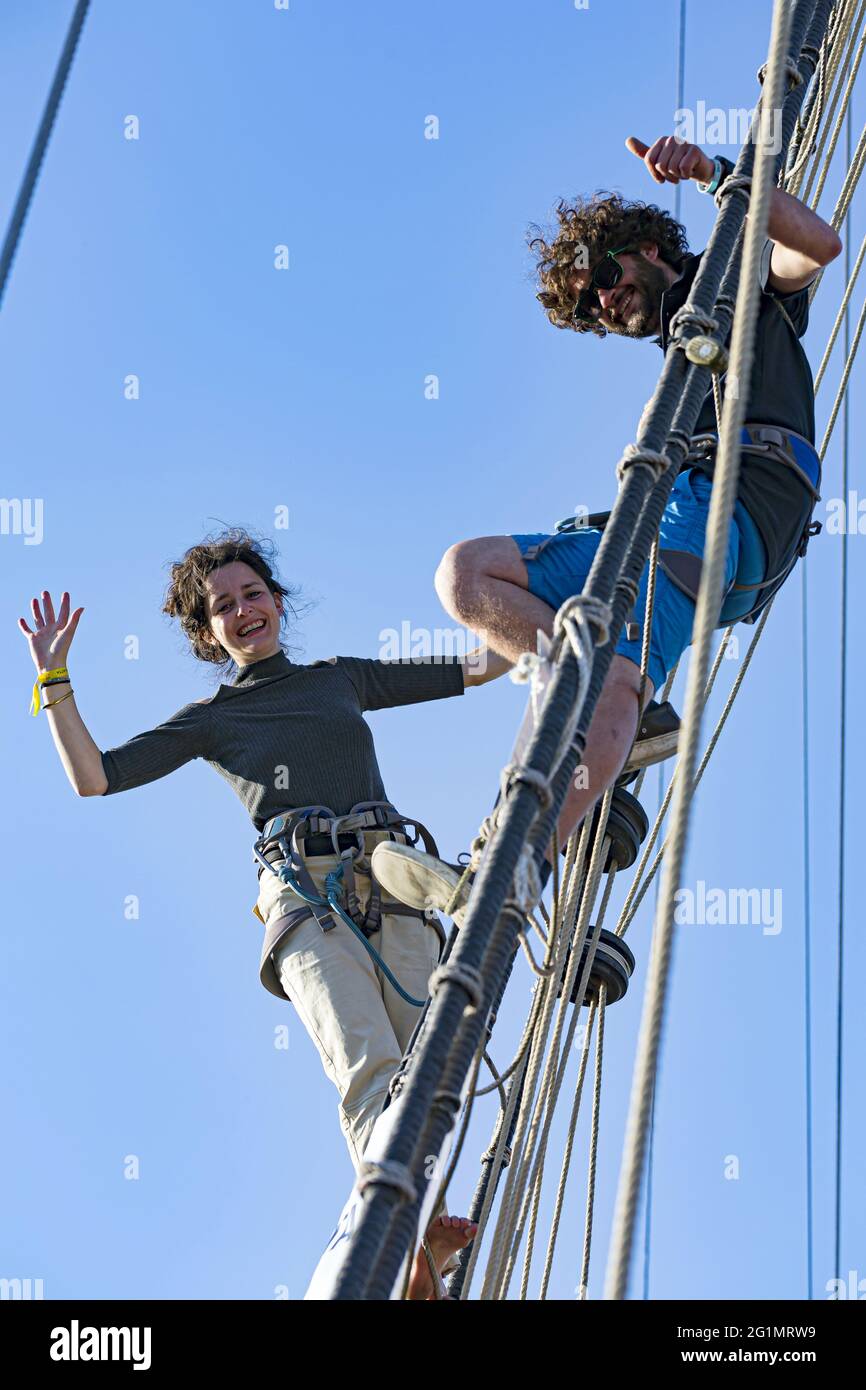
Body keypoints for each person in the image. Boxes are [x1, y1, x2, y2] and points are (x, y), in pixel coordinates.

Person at [19, 528, 514, 1299]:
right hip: (304, 900)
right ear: (208, 634)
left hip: (394, 881)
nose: (243, 610)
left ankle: (425, 1229)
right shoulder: (212, 719)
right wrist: (55, 679)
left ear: (277, 602)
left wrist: (545, 612)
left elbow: (481, 666)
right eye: (223, 607)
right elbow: (95, 778)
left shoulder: (338, 679)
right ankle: (407, 1240)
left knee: (428, 1066)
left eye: (253, 594)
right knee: (370, 1067)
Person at [371, 132, 842, 923]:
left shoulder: (740, 280)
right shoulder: (677, 359)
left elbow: (820, 244)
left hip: (737, 504)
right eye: (589, 309)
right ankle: (549, 747)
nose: (604, 304)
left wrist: (714, 174)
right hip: (669, 507)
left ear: (649, 248)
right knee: (468, 573)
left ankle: (525, 861)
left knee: (619, 667)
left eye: (604, 279)